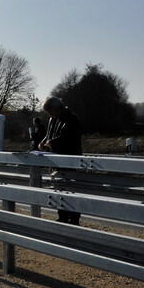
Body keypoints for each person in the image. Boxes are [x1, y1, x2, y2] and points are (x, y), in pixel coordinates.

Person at [40, 96, 84, 224]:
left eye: (50, 111)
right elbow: (49, 135)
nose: (49, 114)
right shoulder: (52, 119)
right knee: (58, 187)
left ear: (56, 108)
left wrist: (51, 143)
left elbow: (70, 139)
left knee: (71, 189)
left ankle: (74, 217)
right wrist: (43, 142)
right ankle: (62, 215)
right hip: (56, 160)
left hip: (70, 158)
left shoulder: (72, 119)